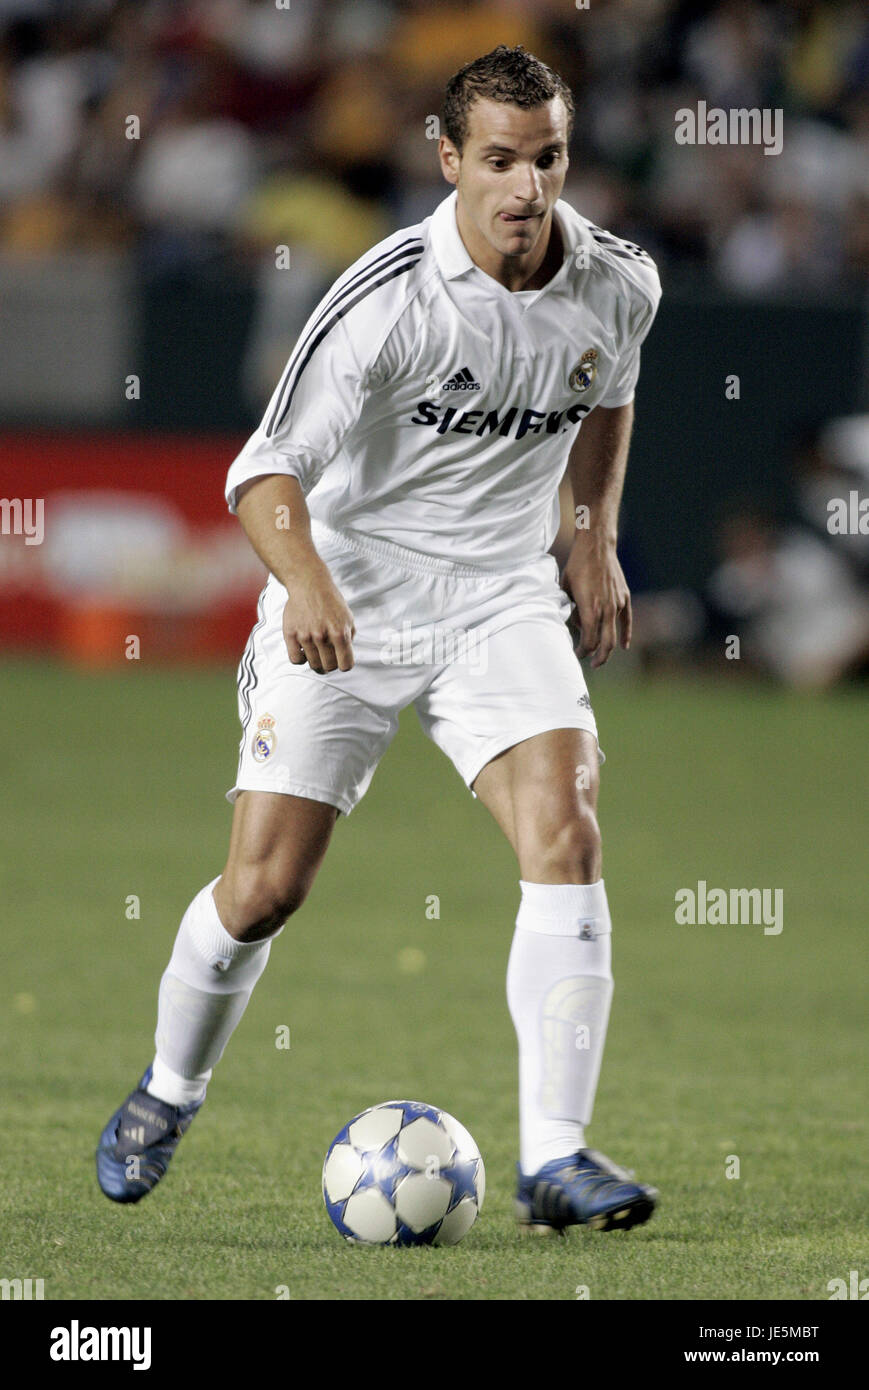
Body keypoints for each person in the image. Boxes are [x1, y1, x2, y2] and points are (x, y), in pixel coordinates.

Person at [97, 44, 661, 1236]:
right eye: (498, 161)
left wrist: (591, 537)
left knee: (566, 833)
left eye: (546, 159)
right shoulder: (386, 297)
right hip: (348, 596)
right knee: (262, 891)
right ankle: (169, 1085)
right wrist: (302, 583)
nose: (525, 188)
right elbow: (262, 473)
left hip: (499, 600)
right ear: (448, 160)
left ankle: (553, 1157)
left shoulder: (617, 283)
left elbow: (606, 397)